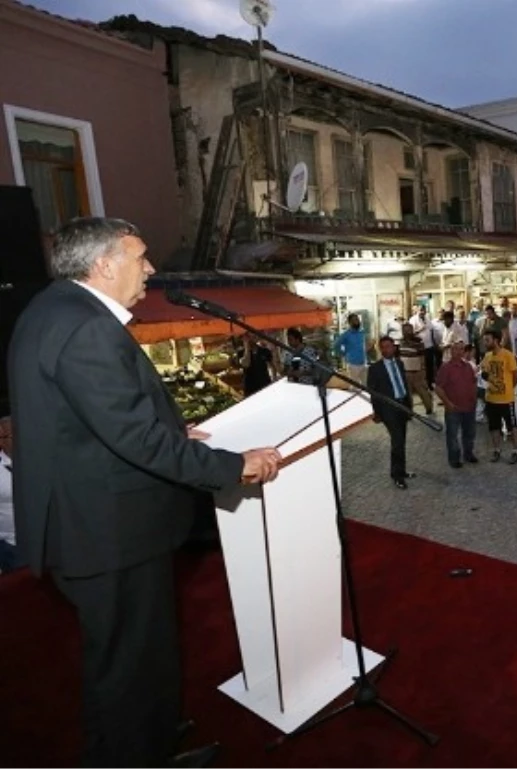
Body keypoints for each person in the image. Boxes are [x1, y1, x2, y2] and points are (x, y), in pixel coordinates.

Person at [7, 217, 283, 769]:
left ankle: (143, 733)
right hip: (107, 533)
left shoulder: (54, 309)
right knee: (130, 660)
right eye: (141, 257)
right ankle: (139, 750)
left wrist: (171, 430)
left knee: (124, 658)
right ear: (104, 264)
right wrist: (234, 466)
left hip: (90, 523)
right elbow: (133, 438)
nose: (152, 269)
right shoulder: (86, 327)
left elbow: (91, 419)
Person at [367, 336, 416, 489]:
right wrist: (377, 412)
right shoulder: (375, 368)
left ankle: (401, 470)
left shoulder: (400, 364)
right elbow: (373, 392)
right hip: (389, 409)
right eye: (384, 347)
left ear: (394, 348)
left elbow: (404, 385)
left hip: (402, 406)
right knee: (397, 441)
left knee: (402, 440)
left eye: (389, 346)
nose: (387, 349)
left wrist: (409, 406)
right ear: (380, 349)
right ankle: (397, 475)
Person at [433, 339, 479, 468]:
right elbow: (438, 388)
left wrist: (474, 398)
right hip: (453, 408)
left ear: (464, 351)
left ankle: (468, 454)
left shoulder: (468, 366)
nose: (458, 352)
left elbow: (473, 382)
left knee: (469, 433)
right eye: (455, 349)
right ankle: (454, 459)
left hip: (469, 406)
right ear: (450, 351)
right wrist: (447, 403)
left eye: (461, 349)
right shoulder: (446, 368)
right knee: (452, 435)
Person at [481, 330, 517, 464]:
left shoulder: (508, 355)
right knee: (494, 427)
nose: (485, 342)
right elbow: (484, 373)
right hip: (491, 398)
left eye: (487, 339)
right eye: (484, 340)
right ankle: (496, 450)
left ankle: (516, 451)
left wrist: (509, 390)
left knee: (512, 426)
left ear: (496, 340)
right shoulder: (487, 356)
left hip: (506, 399)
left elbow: (516, 376)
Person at [0, 415, 20, 573]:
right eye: (14, 435)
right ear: (1, 440)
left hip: (42, 542)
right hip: (9, 545)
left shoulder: (37, 463)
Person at [336, 313, 370, 383]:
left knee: (366, 385)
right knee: (355, 385)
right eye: (354, 320)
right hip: (353, 365)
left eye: (357, 319)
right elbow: (336, 345)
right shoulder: (346, 334)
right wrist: (342, 353)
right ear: (349, 322)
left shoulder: (361, 332)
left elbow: (364, 344)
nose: (357, 321)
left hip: (363, 363)